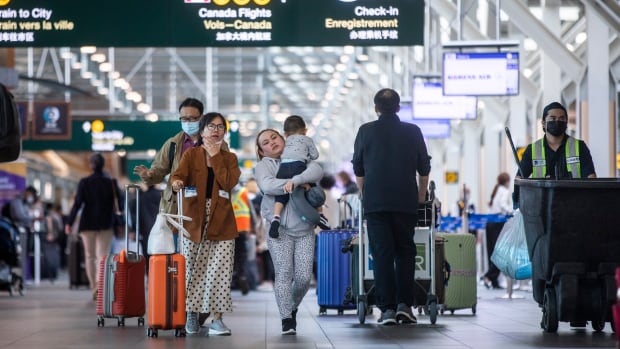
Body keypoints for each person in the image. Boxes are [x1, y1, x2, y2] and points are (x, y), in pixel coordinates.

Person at [351, 88, 431, 325]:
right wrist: (420, 196)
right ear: (398, 107)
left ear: (376, 108)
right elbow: (424, 168)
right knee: (405, 251)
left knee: (382, 254)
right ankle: (404, 306)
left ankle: (386, 309)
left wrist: (366, 194)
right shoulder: (413, 131)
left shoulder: (365, 131)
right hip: (405, 202)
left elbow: (358, 169)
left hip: (375, 203)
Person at [170, 112, 241, 336]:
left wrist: (216, 155)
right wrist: (177, 182)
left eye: (221, 127)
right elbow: (176, 176)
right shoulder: (191, 155)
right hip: (194, 219)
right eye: (211, 126)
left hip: (222, 220)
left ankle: (217, 319)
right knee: (191, 268)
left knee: (220, 270)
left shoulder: (229, 158)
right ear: (202, 131)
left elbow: (228, 182)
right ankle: (191, 313)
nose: (216, 130)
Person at [255, 128, 324, 335]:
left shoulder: (301, 158)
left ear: (284, 138)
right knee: (284, 274)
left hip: (304, 228)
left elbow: (317, 170)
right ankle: (286, 318)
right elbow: (268, 186)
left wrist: (294, 180)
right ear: (261, 151)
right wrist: (297, 182)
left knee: (303, 278)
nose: (272, 143)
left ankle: (290, 306)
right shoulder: (262, 166)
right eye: (266, 142)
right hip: (279, 230)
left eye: (274, 137)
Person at [133, 97, 205, 229]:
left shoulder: (213, 143)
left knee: (205, 248)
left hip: (205, 207)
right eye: (184, 118)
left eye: (192, 119)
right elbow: (158, 170)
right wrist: (148, 175)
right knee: (177, 248)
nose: (188, 122)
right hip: (176, 209)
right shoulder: (172, 144)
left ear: (202, 118)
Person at [64, 153, 122, 301]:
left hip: (87, 224)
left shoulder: (84, 182)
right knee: (102, 257)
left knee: (90, 257)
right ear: (104, 165)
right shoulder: (111, 182)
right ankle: (101, 286)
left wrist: (69, 223)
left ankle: (94, 287)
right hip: (106, 223)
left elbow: (77, 204)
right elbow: (120, 204)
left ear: (91, 165)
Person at [269, 115, 325, 239]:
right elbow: (315, 155)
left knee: (281, 196)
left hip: (283, 168)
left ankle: (276, 218)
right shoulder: (307, 139)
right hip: (298, 166)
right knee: (313, 188)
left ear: (285, 134)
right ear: (305, 130)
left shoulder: (284, 142)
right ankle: (320, 214)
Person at [517, 101, 596, 180]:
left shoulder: (579, 146)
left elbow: (591, 177)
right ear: (543, 123)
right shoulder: (532, 150)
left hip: (573, 192)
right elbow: (519, 178)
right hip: (542, 192)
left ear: (566, 122)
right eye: (553, 118)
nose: (557, 121)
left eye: (561, 118)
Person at [482, 172, 513, 289]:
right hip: (498, 223)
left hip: (489, 223)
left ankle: (494, 281)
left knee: (491, 252)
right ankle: (489, 276)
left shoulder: (496, 190)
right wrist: (511, 212)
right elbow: (503, 205)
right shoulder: (504, 191)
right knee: (499, 252)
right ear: (506, 181)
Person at [128, 183, 163, 274]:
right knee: (161, 251)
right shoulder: (160, 195)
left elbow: (134, 216)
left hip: (145, 230)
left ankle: (150, 273)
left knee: (147, 252)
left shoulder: (139, 198)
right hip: (160, 228)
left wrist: (134, 230)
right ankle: (159, 272)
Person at [231, 183, 251, 295]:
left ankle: (232, 279)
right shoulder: (243, 192)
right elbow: (251, 211)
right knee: (242, 255)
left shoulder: (225, 192)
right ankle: (242, 276)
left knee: (230, 256)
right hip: (242, 228)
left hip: (228, 229)